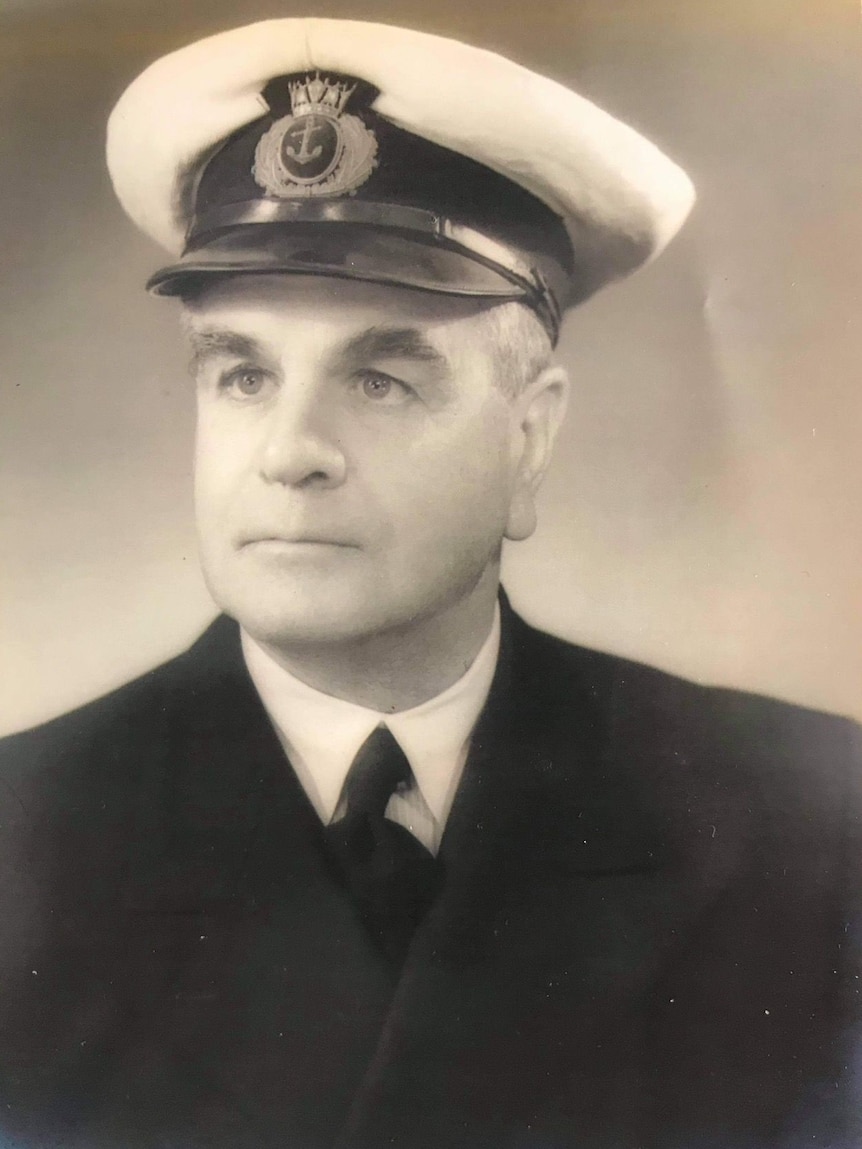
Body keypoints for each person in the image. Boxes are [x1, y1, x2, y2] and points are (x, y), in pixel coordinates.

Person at [0, 17, 859, 1149]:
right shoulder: (22, 837)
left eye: (382, 379)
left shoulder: (811, 823)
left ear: (530, 437)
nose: (289, 451)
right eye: (244, 374)